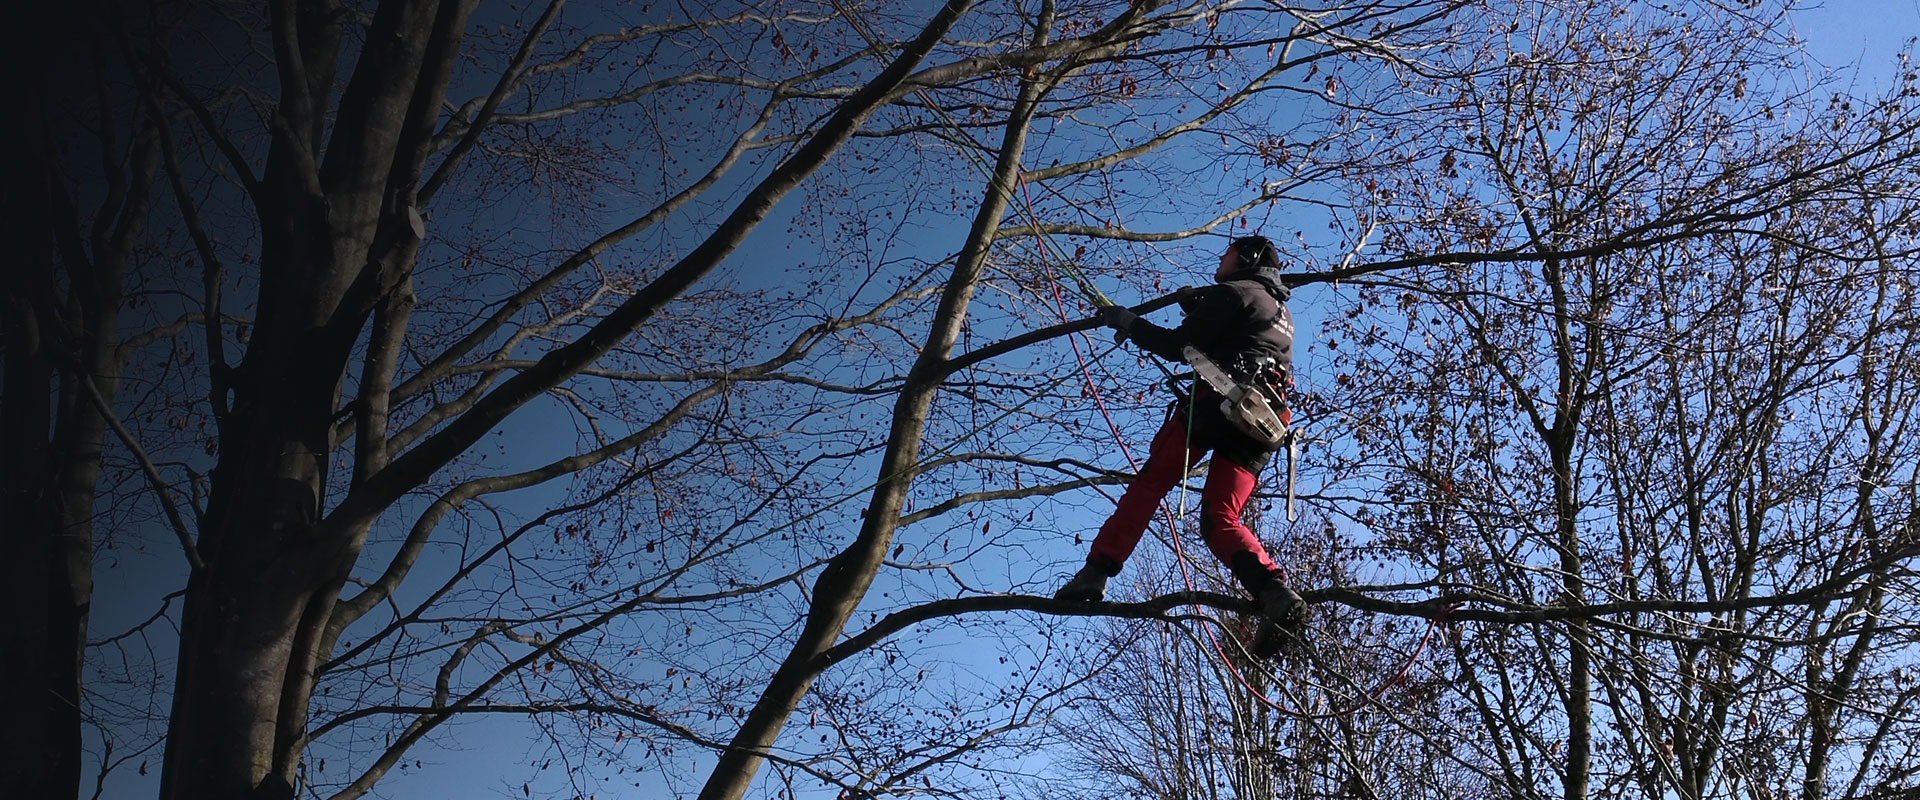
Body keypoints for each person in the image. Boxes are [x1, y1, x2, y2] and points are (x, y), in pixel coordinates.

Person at [1056, 234, 1306, 634]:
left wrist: (1129, 323)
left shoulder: (1234, 290)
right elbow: (1245, 336)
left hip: (1215, 407)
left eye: (1227, 254)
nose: (1220, 260)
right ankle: (1274, 591)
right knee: (1221, 518)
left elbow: (1179, 346)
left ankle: (1096, 572)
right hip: (1262, 423)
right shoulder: (1279, 310)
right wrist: (1202, 309)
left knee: (1151, 482)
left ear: (1245, 258)